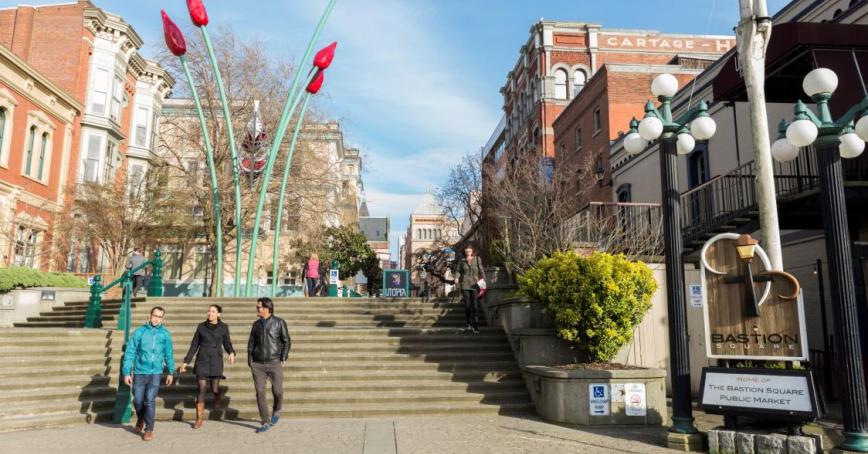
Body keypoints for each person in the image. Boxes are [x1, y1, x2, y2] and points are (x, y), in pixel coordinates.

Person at [121, 306, 175, 441]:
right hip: (139, 371)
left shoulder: (165, 334)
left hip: (155, 372)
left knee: (150, 400)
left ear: (163, 318)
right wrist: (127, 372)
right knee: (138, 400)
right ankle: (141, 419)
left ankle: (149, 429)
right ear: (150, 315)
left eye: (159, 317)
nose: (156, 319)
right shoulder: (139, 332)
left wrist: (171, 371)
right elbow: (130, 352)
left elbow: (169, 354)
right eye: (154, 315)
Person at [181, 304, 235, 429]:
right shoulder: (201, 327)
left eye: (213, 311)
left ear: (218, 314)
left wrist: (231, 352)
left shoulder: (224, 327)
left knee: (215, 388)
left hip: (216, 360)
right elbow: (194, 345)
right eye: (209, 311)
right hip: (202, 360)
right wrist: (186, 362)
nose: (210, 313)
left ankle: (217, 397)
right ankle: (199, 418)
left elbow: (227, 343)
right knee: (201, 388)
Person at [247, 297, 291, 433]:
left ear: (267, 308)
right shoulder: (256, 325)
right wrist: (250, 360)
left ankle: (277, 410)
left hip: (274, 362)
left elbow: (286, 341)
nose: (257, 309)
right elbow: (251, 344)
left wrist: (283, 356)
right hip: (258, 364)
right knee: (260, 392)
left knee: (278, 391)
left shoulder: (279, 322)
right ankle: (265, 421)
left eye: (258, 307)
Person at [455, 245, 486, 334]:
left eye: (469, 251)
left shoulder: (477, 259)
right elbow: (458, 271)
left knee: (475, 306)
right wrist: (456, 278)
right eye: (466, 251)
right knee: (467, 306)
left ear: (472, 251)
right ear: (464, 252)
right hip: (465, 284)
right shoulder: (462, 260)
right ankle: (469, 322)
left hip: (475, 285)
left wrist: (484, 279)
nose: (468, 252)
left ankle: (475, 326)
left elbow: (481, 269)